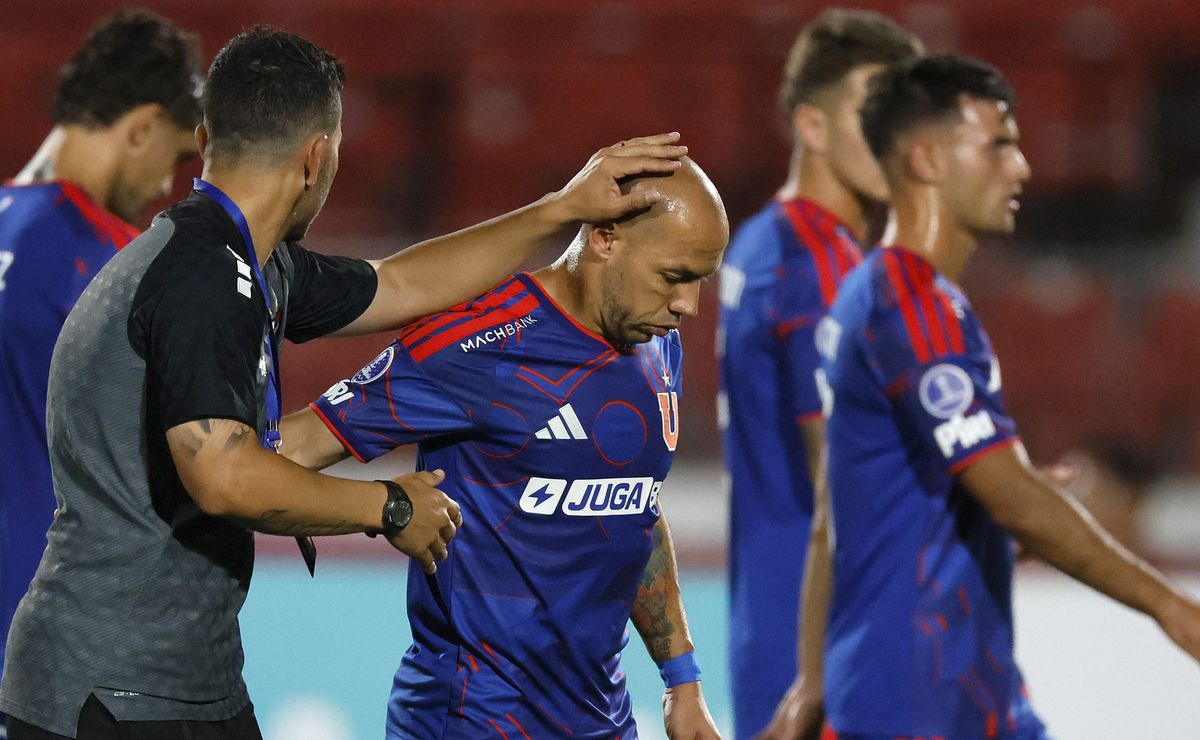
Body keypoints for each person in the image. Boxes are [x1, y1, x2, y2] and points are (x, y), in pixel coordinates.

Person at [0, 25, 688, 739]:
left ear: (205, 134)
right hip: (109, 686)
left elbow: (402, 282)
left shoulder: (250, 263)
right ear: (317, 157)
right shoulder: (201, 275)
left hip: (182, 678)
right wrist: (386, 506)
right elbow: (224, 476)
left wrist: (561, 210)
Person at [789, 54, 1200, 739]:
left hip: (954, 689)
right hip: (919, 702)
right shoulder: (910, 307)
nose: (1022, 169)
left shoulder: (888, 297)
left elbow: (842, 515)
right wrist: (1170, 607)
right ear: (925, 159)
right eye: (999, 144)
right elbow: (1009, 493)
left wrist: (815, 681)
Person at [279, 158, 727, 739]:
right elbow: (291, 448)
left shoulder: (656, 340)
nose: (689, 306)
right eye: (673, 277)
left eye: (700, 280)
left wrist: (681, 681)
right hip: (471, 718)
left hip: (603, 720)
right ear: (604, 238)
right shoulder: (478, 344)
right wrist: (380, 506)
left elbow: (631, 506)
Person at [716, 10, 921, 737]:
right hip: (831, 650)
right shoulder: (824, 269)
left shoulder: (761, 240)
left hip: (766, 627)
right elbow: (845, 484)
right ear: (813, 125)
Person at [0, 8, 202, 733]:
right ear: (143, 126)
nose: (165, 187)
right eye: (176, 160)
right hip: (54, 663)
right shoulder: (116, 264)